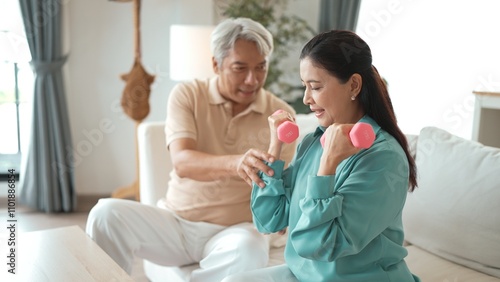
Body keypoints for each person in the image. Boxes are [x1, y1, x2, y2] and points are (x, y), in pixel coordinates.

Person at [86, 17, 296, 282]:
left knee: (249, 250)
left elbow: (281, 187)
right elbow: (183, 163)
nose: (252, 79)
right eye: (240, 68)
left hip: (236, 230)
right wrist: (235, 164)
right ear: (216, 65)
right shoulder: (187, 95)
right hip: (177, 223)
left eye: (261, 67)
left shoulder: (280, 115)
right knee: (105, 213)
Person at [222, 30, 420, 282]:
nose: (306, 99)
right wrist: (276, 146)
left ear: (354, 85)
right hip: (305, 275)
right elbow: (270, 220)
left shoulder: (384, 158)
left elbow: (320, 246)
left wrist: (327, 167)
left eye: (315, 87)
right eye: (305, 86)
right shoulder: (313, 142)